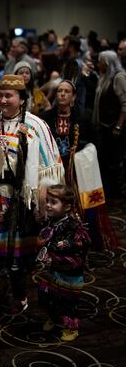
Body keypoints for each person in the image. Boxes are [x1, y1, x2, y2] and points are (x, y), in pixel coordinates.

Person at [0, 74, 64, 315]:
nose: (2, 100)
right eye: (0, 95)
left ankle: (20, 295)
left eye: (8, 96)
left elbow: (50, 164)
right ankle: (3, 284)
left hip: (20, 199)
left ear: (22, 99)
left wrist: (43, 200)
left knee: (17, 255)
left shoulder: (35, 126)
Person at [41, 80, 117, 251]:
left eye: (66, 91)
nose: (62, 94)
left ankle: (81, 239)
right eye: (59, 90)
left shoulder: (83, 117)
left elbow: (94, 143)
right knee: (53, 202)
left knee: (79, 204)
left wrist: (81, 153)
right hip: (55, 168)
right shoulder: (45, 117)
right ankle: (52, 239)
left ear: (73, 96)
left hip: (77, 171)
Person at [38, 184, 90, 342]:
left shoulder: (74, 224)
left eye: (53, 202)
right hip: (54, 268)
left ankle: (70, 327)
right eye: (47, 201)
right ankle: (54, 317)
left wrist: (67, 244)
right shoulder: (51, 221)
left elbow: (84, 243)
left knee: (68, 301)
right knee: (47, 295)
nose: (48, 205)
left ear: (67, 207)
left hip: (70, 271)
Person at [93, 50, 126, 199]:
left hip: (114, 128)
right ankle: (109, 192)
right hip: (104, 127)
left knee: (114, 162)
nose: (98, 63)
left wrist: (118, 126)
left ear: (106, 63)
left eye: (100, 61)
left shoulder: (118, 77)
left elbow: (125, 104)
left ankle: (116, 194)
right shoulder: (104, 77)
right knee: (105, 162)